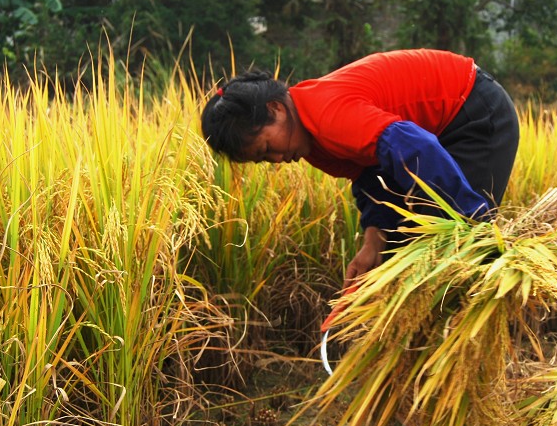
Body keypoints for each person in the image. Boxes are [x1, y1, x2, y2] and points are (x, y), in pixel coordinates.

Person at [200, 49, 519, 286]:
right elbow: (373, 175)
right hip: (435, 133)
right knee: (398, 259)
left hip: (474, 110)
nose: (276, 160)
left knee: (455, 251)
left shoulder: (327, 116)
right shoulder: (311, 143)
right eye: (262, 160)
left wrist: (477, 223)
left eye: (267, 148)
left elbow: (414, 147)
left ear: (276, 109)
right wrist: (373, 243)